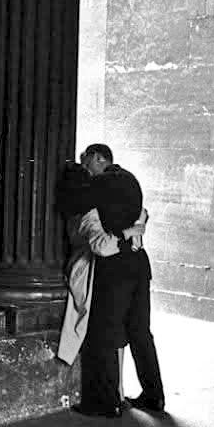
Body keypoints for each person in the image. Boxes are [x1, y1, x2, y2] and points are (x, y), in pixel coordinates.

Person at [73, 143, 165, 416]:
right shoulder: (131, 183)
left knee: (107, 332)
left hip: (114, 269)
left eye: (86, 159)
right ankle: (154, 396)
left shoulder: (98, 188)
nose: (83, 165)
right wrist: (131, 232)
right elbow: (142, 218)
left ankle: (109, 402)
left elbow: (100, 242)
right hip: (139, 264)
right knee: (140, 332)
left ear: (99, 158)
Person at [56, 163, 147, 389]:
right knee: (112, 334)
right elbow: (103, 246)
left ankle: (116, 394)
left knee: (112, 332)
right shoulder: (89, 213)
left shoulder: (84, 210)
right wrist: (133, 229)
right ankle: (116, 393)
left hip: (93, 269)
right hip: (89, 270)